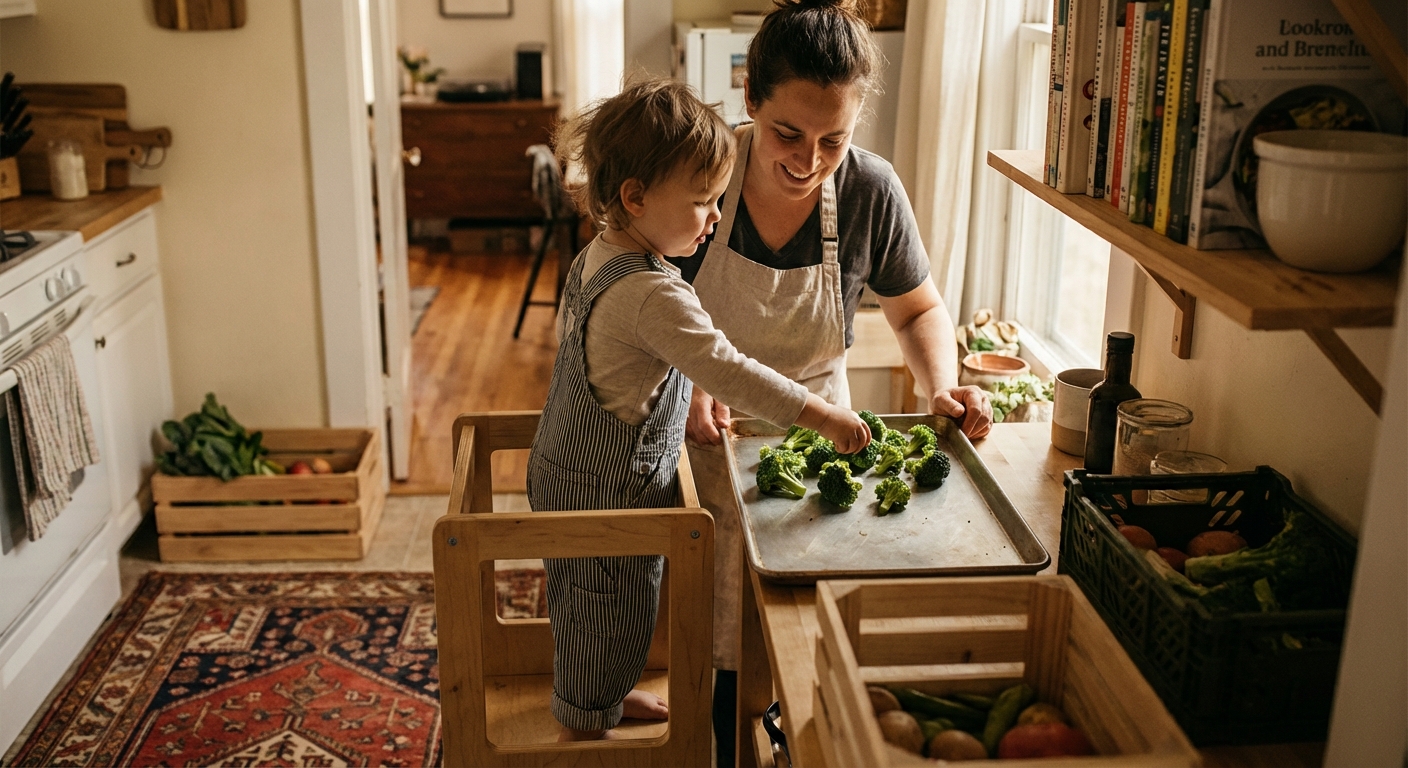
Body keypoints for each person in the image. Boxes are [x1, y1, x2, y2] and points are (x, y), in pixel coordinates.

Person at [664, 0, 995, 761]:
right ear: (749, 97)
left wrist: (941, 387)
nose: (809, 159)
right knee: (716, 655)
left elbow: (918, 312)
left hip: (821, 450)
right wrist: (679, 381)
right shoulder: (695, 177)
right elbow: (622, 304)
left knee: (814, 650)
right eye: (787, 133)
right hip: (702, 442)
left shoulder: (872, 191)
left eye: (833, 140)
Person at [527, 77, 872, 742]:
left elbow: (651, 363)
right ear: (635, 197)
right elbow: (729, 368)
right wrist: (823, 416)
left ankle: (594, 693)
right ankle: (587, 718)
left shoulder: (603, 253)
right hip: (603, 484)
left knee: (592, 599)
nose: (716, 218)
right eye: (703, 203)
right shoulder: (656, 295)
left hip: (571, 463)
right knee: (611, 604)